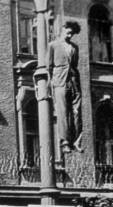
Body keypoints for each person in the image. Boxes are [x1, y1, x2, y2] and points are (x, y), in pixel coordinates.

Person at [47, 20, 82, 154]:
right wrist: (52, 84)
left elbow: (75, 64)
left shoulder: (75, 47)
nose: (69, 36)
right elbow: (48, 66)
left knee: (77, 111)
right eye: (68, 33)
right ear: (62, 30)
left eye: (72, 34)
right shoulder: (53, 46)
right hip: (59, 81)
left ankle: (76, 141)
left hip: (73, 81)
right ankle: (65, 142)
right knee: (62, 112)